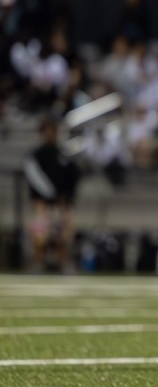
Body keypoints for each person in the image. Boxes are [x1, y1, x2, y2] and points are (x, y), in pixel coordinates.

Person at [23, 116, 82, 273]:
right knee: (40, 237)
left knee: (63, 237)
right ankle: (37, 264)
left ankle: (65, 264)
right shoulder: (36, 156)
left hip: (62, 203)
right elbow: (34, 180)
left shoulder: (64, 154)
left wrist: (66, 197)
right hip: (42, 203)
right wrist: (43, 199)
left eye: (53, 131)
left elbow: (72, 176)